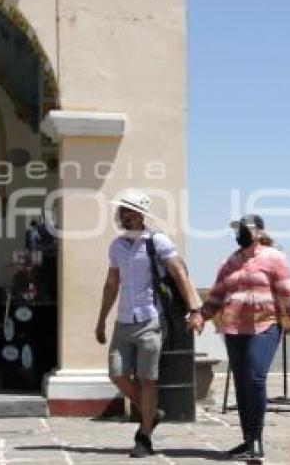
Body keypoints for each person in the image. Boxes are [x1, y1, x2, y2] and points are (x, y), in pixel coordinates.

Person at [188, 214, 290, 461]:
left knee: (255, 377)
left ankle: (256, 440)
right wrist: (202, 315)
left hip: (264, 327)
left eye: (244, 229)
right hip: (234, 330)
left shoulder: (274, 258)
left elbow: (288, 293)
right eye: (237, 230)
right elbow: (216, 295)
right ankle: (248, 441)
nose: (239, 234)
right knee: (242, 384)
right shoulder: (230, 262)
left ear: (258, 232)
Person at [95, 189, 202, 458]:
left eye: (126, 209)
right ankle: (151, 413)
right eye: (121, 209)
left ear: (138, 213)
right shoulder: (117, 246)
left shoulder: (158, 242)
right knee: (117, 375)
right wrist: (100, 320)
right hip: (123, 321)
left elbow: (179, 275)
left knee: (147, 380)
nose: (121, 213)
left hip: (151, 321)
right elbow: (111, 284)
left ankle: (144, 437)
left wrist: (194, 310)